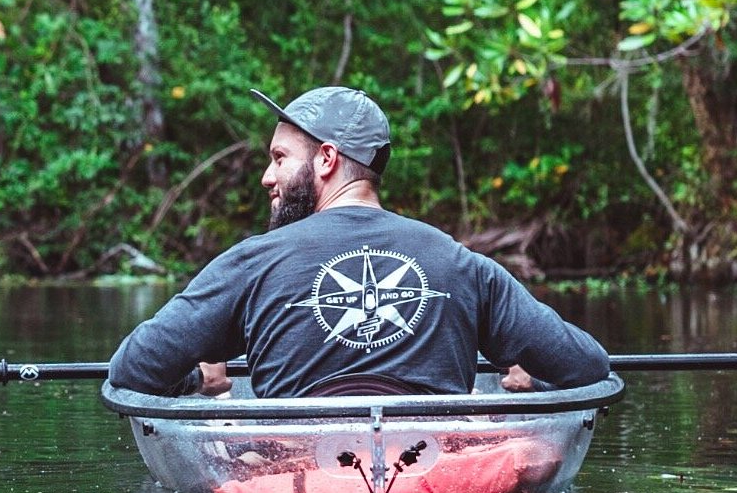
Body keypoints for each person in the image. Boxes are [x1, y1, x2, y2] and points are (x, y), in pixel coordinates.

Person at [111, 84, 609, 401]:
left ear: (326, 159)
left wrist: (196, 383)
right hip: (435, 492)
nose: (266, 177)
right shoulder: (461, 263)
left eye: (280, 158)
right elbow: (588, 368)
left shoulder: (252, 263)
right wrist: (539, 384)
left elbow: (132, 370)